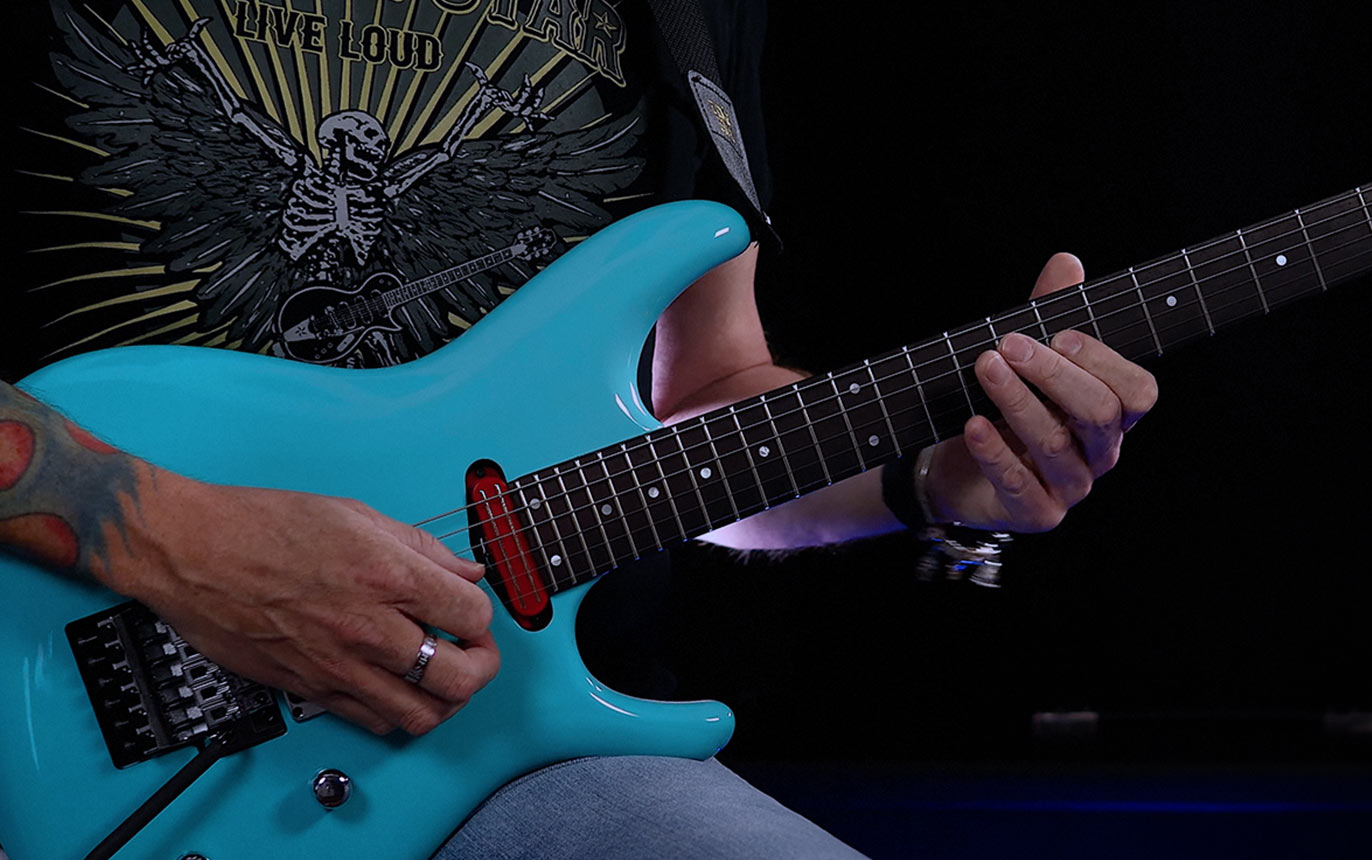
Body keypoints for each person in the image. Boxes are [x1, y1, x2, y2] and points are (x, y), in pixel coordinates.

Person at [1, 2, 1156, 858]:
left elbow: (702, 399)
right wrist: (173, 538)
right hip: (47, 701)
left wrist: (932, 473)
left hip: (510, 744)